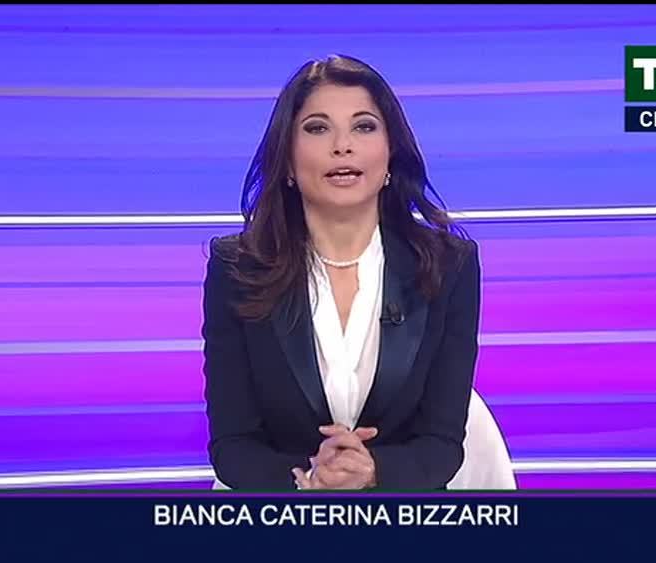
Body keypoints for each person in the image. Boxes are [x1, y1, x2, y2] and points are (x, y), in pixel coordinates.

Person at [202, 54, 481, 490]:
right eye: (317, 128)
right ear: (287, 160)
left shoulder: (448, 266)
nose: (342, 145)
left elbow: (441, 444)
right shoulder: (238, 268)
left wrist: (373, 472)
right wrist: (312, 476)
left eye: (363, 126)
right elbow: (233, 446)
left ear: (391, 152)